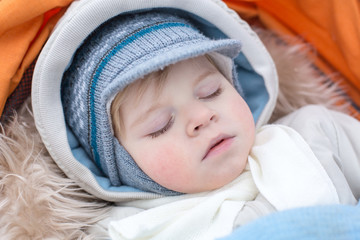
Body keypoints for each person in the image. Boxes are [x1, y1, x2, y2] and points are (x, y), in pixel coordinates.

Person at [32, 1, 360, 239]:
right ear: (123, 165)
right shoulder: (120, 230)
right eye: (161, 125)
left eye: (211, 91)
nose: (202, 117)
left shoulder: (312, 134)